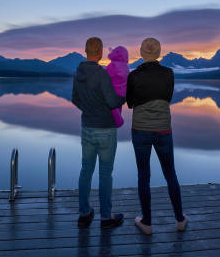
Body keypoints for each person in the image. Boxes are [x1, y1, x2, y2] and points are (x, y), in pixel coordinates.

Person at [126, 37, 187, 234]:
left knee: (144, 175)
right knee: (170, 174)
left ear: (142, 53)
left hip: (141, 130)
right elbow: (167, 98)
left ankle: (147, 222)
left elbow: (129, 102)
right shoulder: (168, 73)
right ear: (159, 53)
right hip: (163, 129)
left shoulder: (134, 75)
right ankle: (179, 219)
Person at [72, 37, 126, 229]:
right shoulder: (102, 74)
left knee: (85, 170)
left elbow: (75, 99)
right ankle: (105, 217)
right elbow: (112, 102)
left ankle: (84, 213)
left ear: (85, 51)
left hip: (87, 128)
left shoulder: (78, 73)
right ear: (100, 52)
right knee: (105, 174)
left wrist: (89, 109)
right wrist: (123, 97)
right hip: (105, 130)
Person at [105, 46, 130, 128]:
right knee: (117, 109)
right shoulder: (126, 67)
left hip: (113, 95)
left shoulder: (112, 66)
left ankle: (117, 122)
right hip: (123, 95)